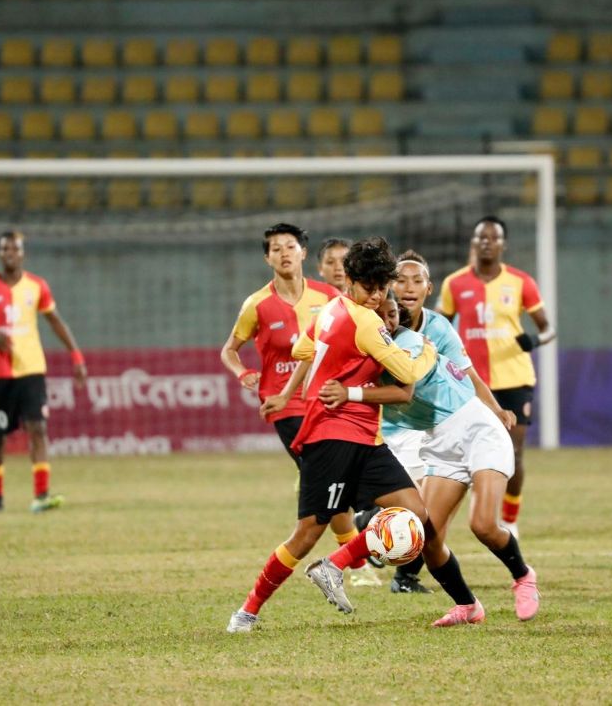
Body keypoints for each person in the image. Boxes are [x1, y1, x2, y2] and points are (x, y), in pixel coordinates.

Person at [227, 237, 485, 632]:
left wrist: (329, 369)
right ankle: (247, 612)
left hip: (366, 437)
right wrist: (428, 350)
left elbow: (302, 349)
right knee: (306, 534)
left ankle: (460, 602)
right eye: (369, 287)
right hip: (331, 438)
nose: (376, 296)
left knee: (416, 514)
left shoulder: (331, 309)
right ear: (350, 280)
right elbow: (409, 372)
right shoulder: (366, 321)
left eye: (382, 288)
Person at [319, 290, 541, 621]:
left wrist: (349, 392)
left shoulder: (408, 342)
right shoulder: (367, 355)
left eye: (393, 314)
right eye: (381, 315)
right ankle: (467, 605)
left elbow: (403, 391)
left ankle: (523, 577)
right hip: (439, 442)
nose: (389, 321)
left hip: (477, 430)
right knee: (427, 538)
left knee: (483, 525)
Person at [219, 224, 376, 584]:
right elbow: (229, 350)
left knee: (332, 480)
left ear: (303, 253)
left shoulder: (328, 295)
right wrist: (243, 373)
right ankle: (358, 563)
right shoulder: (257, 304)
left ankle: (357, 554)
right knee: (329, 478)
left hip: (327, 400)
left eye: (290, 246)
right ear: (267, 258)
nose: (284, 253)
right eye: (276, 249)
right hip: (286, 408)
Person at [365, 251, 519, 593]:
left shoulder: (436, 328)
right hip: (388, 428)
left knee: (430, 517)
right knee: (415, 511)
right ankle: (373, 526)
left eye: (417, 280)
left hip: (428, 429)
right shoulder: (369, 325)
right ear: (388, 286)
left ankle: (404, 573)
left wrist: (495, 409)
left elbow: (467, 373)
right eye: (400, 280)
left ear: (428, 288)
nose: (408, 287)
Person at [438, 215, 555, 537]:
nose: (487, 243)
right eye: (481, 237)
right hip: (471, 383)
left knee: (514, 452)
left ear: (503, 245)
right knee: (463, 452)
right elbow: (437, 327)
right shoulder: (454, 284)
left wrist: (534, 340)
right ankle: (458, 514)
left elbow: (549, 329)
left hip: (515, 378)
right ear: (473, 244)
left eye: (494, 238)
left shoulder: (521, 282)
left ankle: (510, 519)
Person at [0, 232, 86, 514]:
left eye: (15, 248)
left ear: (23, 253)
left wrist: (76, 355)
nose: (10, 253)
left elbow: (55, 321)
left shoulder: (37, 286)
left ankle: (41, 495)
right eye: (5, 248)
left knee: (39, 428)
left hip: (31, 369)